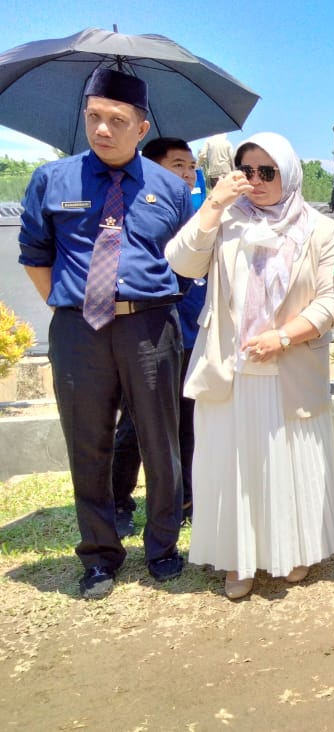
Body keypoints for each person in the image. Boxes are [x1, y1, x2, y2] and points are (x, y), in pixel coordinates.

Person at [18, 68, 191, 598]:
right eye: (94, 117)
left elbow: (186, 259)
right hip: (79, 332)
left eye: (117, 120)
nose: (102, 130)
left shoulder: (169, 188)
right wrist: (69, 302)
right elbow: (36, 255)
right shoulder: (54, 180)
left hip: (150, 327)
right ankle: (99, 555)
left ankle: (162, 546)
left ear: (141, 128)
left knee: (160, 441)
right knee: (88, 444)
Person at [165, 131, 334, 600]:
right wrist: (212, 205)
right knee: (233, 467)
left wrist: (283, 336)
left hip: (290, 365)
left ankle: (296, 549)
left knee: (291, 463)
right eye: (249, 171)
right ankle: (237, 558)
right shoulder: (226, 221)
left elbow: (331, 302)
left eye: (269, 172)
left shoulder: (318, 229)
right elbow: (181, 263)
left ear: (288, 174)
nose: (258, 181)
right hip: (232, 367)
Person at [111, 137, 206, 533]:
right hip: (149, 334)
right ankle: (118, 500)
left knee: (187, 422)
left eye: (190, 166)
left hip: (189, 335)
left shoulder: (199, 215)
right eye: (177, 165)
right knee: (135, 424)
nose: (187, 174)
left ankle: (184, 498)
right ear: (150, 169)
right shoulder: (138, 216)